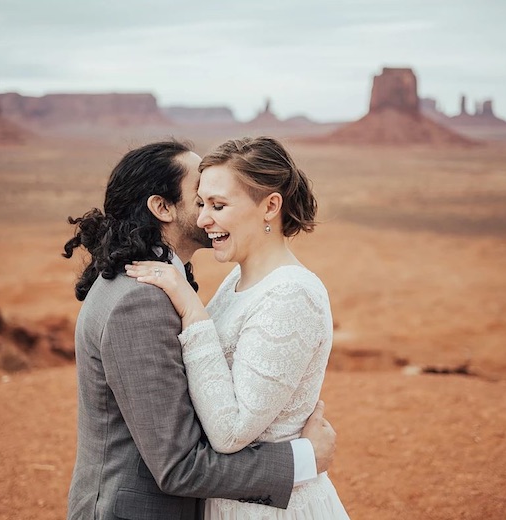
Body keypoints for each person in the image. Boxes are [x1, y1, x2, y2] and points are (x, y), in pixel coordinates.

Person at [62, 140, 337, 520]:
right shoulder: (140, 299)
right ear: (162, 207)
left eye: (217, 202)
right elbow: (179, 463)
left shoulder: (161, 282)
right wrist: (304, 459)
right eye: (200, 197)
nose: (207, 212)